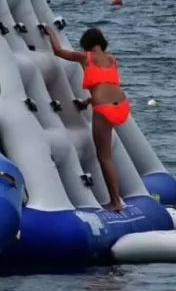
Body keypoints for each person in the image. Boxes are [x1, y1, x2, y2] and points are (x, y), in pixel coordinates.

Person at [45, 25, 129, 212]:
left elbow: (59, 52)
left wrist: (51, 33)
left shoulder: (86, 57)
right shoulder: (112, 60)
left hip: (103, 108)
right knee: (108, 155)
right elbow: (106, 85)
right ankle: (117, 197)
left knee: (104, 156)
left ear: (87, 44)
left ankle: (115, 201)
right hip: (121, 105)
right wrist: (86, 102)